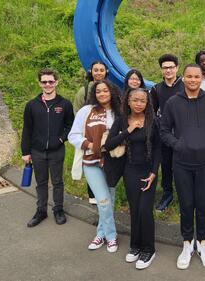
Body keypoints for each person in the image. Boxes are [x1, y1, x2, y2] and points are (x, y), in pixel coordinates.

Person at [160, 64, 205, 270]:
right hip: (182, 163)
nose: (193, 80)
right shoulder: (172, 102)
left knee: (202, 204)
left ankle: (203, 243)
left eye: (197, 76)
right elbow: (164, 130)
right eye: (189, 76)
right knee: (186, 205)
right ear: (183, 78)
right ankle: (187, 243)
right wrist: (177, 144)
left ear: (201, 79)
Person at [105, 88, 161, 269]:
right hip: (130, 171)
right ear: (128, 101)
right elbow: (109, 144)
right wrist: (128, 130)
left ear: (147, 103)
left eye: (142, 101)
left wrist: (154, 173)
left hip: (148, 172)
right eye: (135, 100)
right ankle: (135, 246)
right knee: (135, 209)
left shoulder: (153, 122)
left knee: (145, 210)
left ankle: (149, 250)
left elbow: (159, 149)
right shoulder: (122, 121)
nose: (138, 104)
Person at [68, 79, 123, 253]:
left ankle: (101, 233)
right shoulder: (86, 111)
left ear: (112, 92)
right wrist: (91, 145)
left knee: (109, 200)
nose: (102, 94)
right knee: (103, 200)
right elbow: (73, 135)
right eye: (98, 91)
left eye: (105, 90)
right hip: (91, 161)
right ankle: (111, 236)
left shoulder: (119, 112)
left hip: (113, 162)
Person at [21, 68, 74, 227]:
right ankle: (41, 211)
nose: (48, 84)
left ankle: (58, 209)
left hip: (57, 150)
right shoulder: (31, 105)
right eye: (44, 82)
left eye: (51, 81)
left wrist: (60, 139)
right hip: (37, 151)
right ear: (40, 84)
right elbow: (27, 130)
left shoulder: (64, 104)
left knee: (57, 182)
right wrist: (25, 151)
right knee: (41, 182)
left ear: (56, 82)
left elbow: (70, 125)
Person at [150, 54, 184, 212]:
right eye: (165, 68)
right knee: (166, 164)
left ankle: (185, 194)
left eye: (171, 67)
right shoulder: (156, 89)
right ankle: (167, 193)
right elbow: (151, 112)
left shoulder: (185, 85)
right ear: (161, 70)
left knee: (183, 164)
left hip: (183, 133)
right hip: (164, 134)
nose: (168, 70)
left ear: (177, 67)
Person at [73, 61, 110, 205]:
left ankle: (106, 192)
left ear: (106, 71)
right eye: (96, 70)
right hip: (88, 134)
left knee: (105, 162)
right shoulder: (85, 90)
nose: (99, 72)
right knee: (90, 162)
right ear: (91, 71)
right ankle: (93, 194)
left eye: (102, 70)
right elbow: (77, 111)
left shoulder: (110, 89)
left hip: (105, 133)